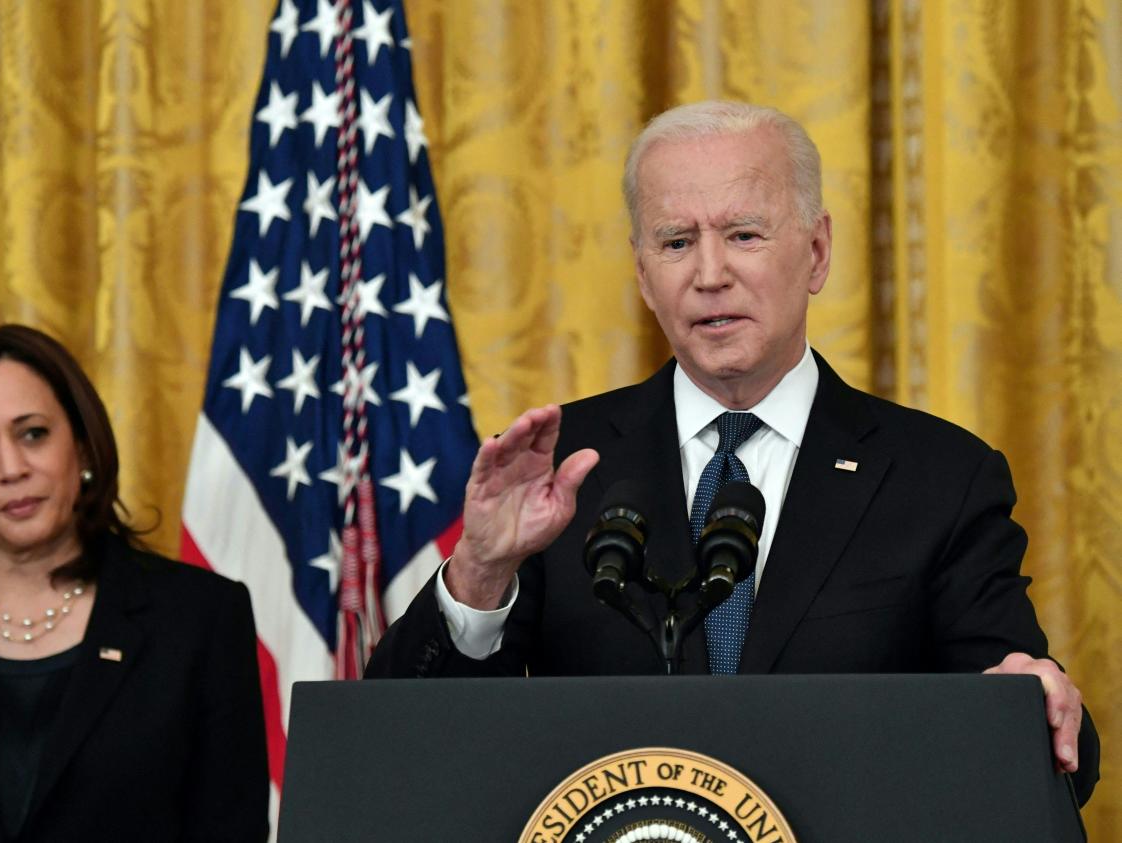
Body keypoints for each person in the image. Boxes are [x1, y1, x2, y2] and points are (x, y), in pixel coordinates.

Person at [364, 101, 1100, 804]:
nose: (709, 273)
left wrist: (1029, 699)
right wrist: (480, 571)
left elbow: (1044, 741)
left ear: (815, 252)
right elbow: (399, 747)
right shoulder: (560, 473)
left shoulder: (940, 476)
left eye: (744, 235)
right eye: (676, 241)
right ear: (643, 273)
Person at [0, 324, 269, 841]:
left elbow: (230, 829)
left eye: (33, 433)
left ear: (83, 447)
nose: (11, 468)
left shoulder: (200, 618)